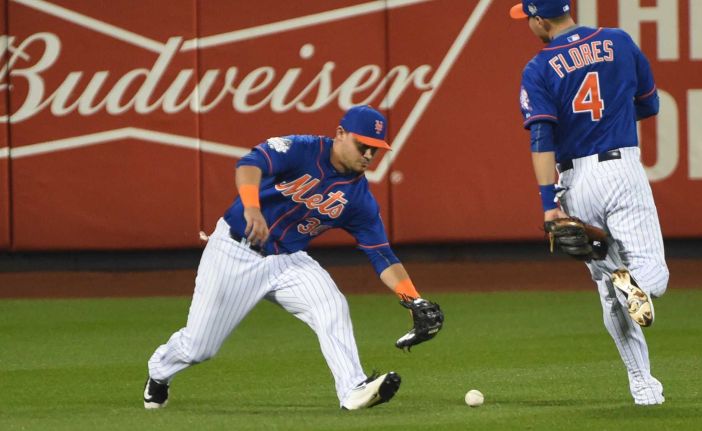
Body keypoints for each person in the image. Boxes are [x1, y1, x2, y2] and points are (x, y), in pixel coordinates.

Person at [142, 105, 442, 410]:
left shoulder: (359, 199)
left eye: (374, 150)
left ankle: (353, 388)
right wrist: (252, 207)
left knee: (331, 304)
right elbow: (250, 163)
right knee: (199, 348)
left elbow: (382, 255)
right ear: (340, 134)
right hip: (234, 251)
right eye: (362, 145)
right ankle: (159, 371)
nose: (368, 154)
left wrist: (413, 299)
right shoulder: (303, 149)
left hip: (287, 260)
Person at [509, 0, 669, 405]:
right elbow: (649, 104)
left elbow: (541, 138)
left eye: (527, 17)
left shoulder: (538, 67)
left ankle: (643, 385)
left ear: (541, 19)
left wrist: (549, 204)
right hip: (621, 168)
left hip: (575, 181)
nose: (528, 24)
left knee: (608, 285)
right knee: (653, 276)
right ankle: (635, 285)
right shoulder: (618, 40)